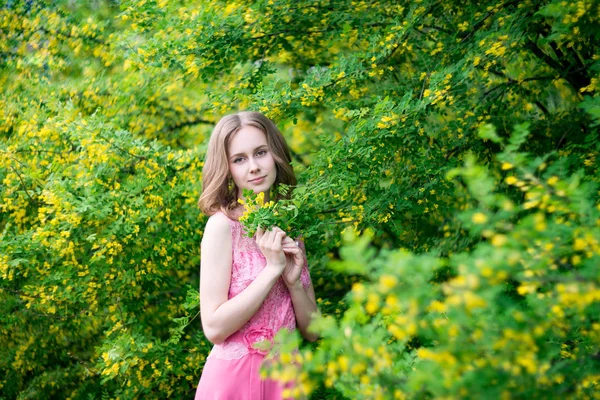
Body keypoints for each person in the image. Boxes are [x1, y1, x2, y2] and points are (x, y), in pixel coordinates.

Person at [195, 111, 319, 399]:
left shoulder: (290, 225)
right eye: (239, 159)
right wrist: (271, 271)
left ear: (275, 154)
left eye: (260, 152)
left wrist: (292, 282)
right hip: (234, 382)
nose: (254, 167)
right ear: (227, 168)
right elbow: (213, 328)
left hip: (287, 381)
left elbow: (313, 331)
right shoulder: (222, 227)